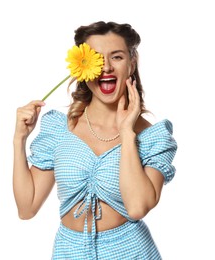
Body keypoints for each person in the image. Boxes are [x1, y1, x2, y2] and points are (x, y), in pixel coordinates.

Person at [13, 21, 177, 260]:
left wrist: (127, 132)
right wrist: (19, 140)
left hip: (131, 252)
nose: (106, 68)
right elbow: (26, 209)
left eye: (117, 57)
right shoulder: (60, 129)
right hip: (69, 251)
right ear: (81, 67)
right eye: (97, 59)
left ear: (132, 63)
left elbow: (137, 207)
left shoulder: (152, 137)